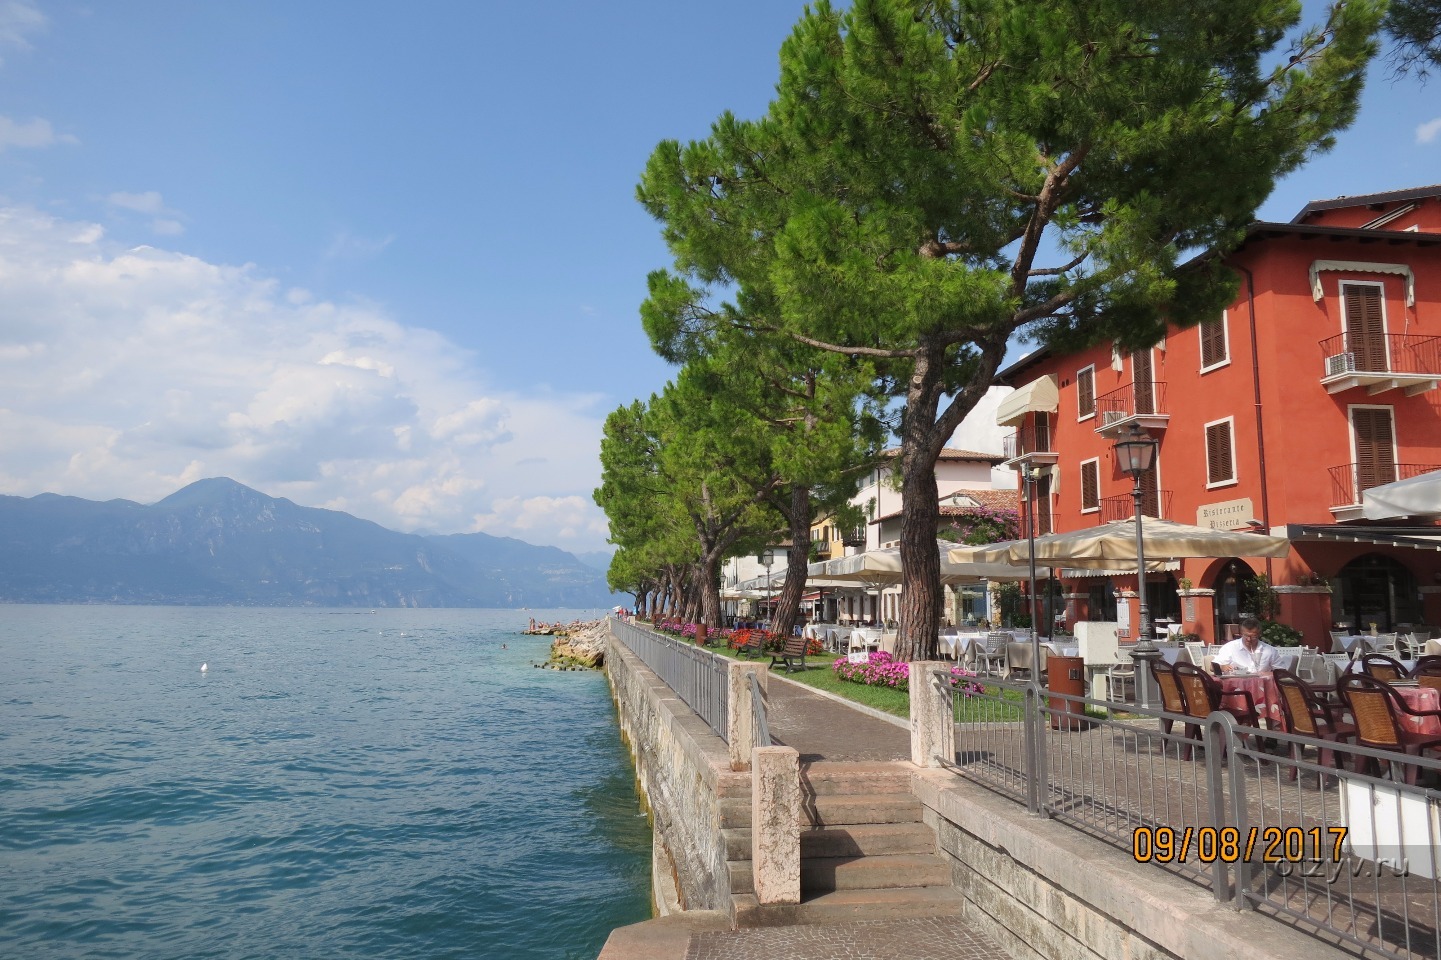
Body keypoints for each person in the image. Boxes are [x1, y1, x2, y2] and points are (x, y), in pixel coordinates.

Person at [1213, 618, 1280, 674]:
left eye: (1253, 636)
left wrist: (1271, 673)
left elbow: (1282, 672)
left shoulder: (1270, 651)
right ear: (1241, 633)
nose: (1249, 639)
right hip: (1236, 687)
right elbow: (1212, 667)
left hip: (1262, 686)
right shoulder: (1230, 647)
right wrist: (1222, 667)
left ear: (1259, 634)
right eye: (1246, 636)